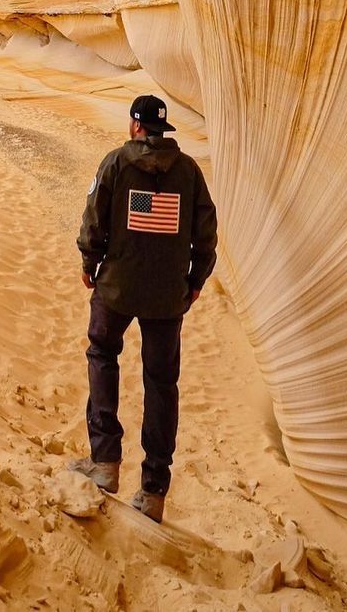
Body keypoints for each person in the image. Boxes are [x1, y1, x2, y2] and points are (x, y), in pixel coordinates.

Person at [70, 94, 218, 523]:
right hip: (166, 297)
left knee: (102, 356)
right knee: (160, 383)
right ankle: (153, 490)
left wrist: (89, 261)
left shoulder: (116, 163)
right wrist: (194, 283)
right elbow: (205, 234)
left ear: (136, 126)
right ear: (162, 129)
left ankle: (105, 463)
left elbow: (94, 219)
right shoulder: (189, 172)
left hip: (116, 287)